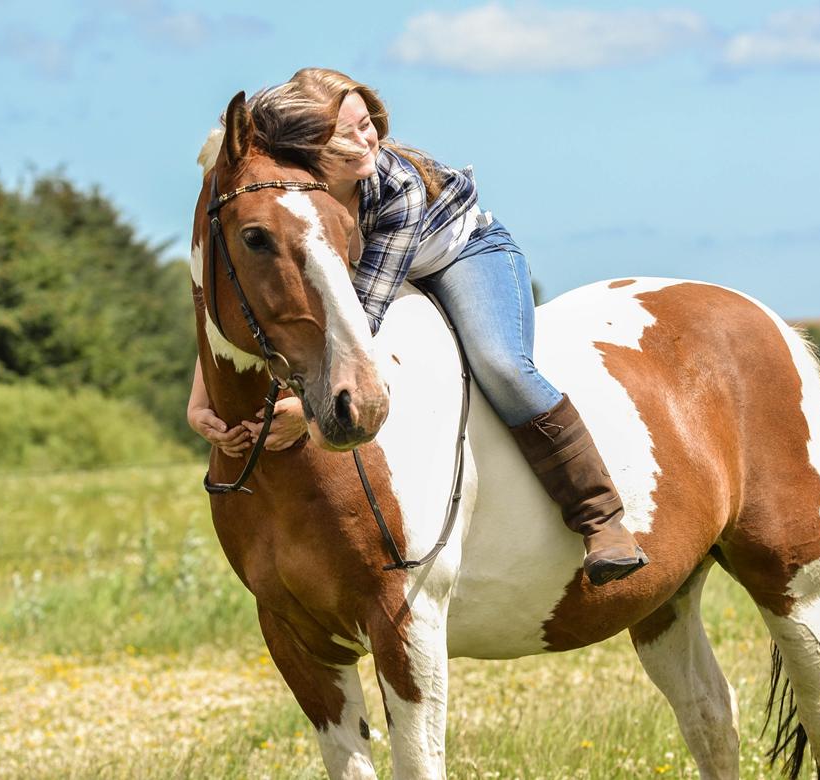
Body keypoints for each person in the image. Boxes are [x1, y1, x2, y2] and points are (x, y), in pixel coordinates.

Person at [188, 68, 647, 585]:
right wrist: (202, 394)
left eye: (367, 124)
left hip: (460, 255)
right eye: (345, 137)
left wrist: (309, 403)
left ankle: (600, 517)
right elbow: (251, 292)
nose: (367, 142)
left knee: (502, 365)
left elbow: (361, 313)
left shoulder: (398, 187)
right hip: (368, 275)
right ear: (306, 150)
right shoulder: (290, 185)